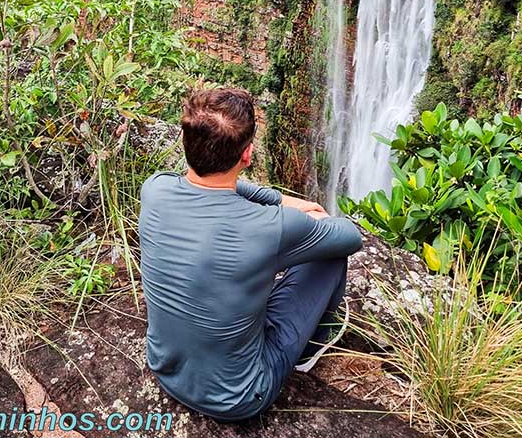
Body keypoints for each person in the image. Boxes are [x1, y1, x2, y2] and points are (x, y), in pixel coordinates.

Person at [138, 86, 362, 421]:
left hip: (165, 368)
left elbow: (212, 183)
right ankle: (307, 353)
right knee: (328, 255)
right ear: (247, 154)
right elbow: (350, 236)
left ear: (188, 145)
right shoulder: (271, 227)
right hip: (240, 397)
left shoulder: (155, 189)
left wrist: (278, 198)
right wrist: (305, 216)